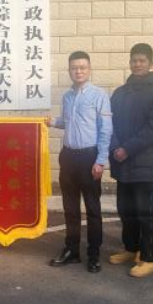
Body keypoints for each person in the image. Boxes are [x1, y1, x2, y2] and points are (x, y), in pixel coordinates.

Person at [48, 51, 112, 273]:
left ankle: (94, 254)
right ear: (69, 70)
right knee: (70, 208)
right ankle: (72, 250)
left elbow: (105, 130)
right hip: (68, 157)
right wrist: (52, 122)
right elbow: (68, 122)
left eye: (82, 67)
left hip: (89, 158)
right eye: (74, 68)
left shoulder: (99, 96)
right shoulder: (67, 97)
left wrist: (100, 161)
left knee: (92, 209)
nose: (78, 71)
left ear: (89, 69)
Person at [109, 43, 153, 278]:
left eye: (142, 60)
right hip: (122, 164)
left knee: (147, 213)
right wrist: (116, 147)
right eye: (134, 60)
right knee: (127, 210)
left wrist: (127, 148)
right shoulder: (120, 93)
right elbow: (109, 123)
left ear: (151, 63)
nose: (138, 64)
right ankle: (131, 248)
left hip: (144, 165)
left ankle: (149, 257)